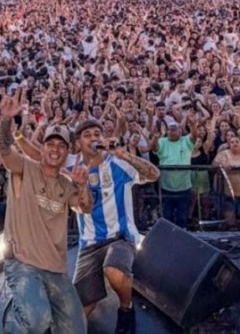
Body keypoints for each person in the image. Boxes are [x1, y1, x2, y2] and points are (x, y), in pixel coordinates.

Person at [0, 87, 91, 334]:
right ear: (44, 146)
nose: (55, 149)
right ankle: (12, 323)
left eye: (61, 146)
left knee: (77, 329)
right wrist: (6, 120)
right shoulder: (25, 168)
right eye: (50, 143)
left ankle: (26, 307)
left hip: (56, 267)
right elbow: (5, 150)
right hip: (23, 262)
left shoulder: (66, 184)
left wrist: (82, 186)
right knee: (36, 321)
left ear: (68, 152)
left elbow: (84, 207)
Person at [70, 119, 160, 334]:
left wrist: (125, 154)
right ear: (78, 143)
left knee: (114, 270)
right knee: (78, 311)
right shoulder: (73, 171)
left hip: (121, 236)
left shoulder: (118, 163)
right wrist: (81, 186)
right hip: (89, 243)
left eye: (97, 133)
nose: (94, 138)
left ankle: (126, 309)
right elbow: (82, 209)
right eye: (87, 135)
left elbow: (154, 175)